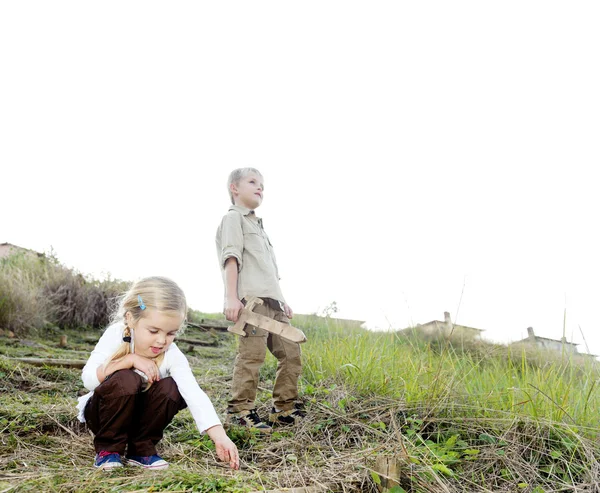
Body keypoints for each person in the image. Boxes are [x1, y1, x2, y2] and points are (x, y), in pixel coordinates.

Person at [76, 276, 239, 471]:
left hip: (138, 421)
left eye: (171, 333)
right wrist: (128, 360)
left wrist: (220, 437)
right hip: (103, 416)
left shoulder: (171, 354)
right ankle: (108, 450)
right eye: (154, 331)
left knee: (172, 387)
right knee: (127, 378)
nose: (162, 341)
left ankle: (141, 449)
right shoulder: (116, 335)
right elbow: (88, 380)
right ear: (130, 318)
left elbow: (194, 393)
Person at [215, 168, 304, 434]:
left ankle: (284, 410)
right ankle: (241, 411)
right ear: (234, 188)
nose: (260, 188)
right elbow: (232, 258)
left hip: (274, 302)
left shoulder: (259, 226)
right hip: (252, 302)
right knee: (251, 355)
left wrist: (283, 300)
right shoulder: (233, 219)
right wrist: (231, 297)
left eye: (262, 185)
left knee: (291, 353)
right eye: (253, 182)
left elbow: (268, 271)